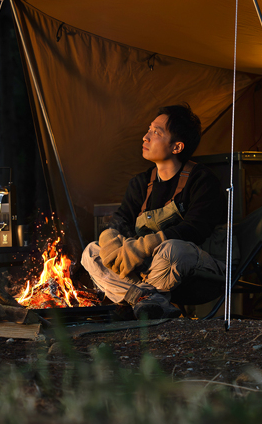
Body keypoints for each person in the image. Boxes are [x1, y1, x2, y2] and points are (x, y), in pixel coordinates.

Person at [80, 103, 227, 319]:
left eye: (156, 132)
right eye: (149, 130)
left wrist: (140, 247)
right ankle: (148, 301)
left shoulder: (202, 180)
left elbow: (194, 230)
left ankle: (138, 301)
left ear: (177, 147)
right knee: (92, 252)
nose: (145, 137)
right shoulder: (140, 183)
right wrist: (111, 242)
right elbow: (119, 222)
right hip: (150, 272)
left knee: (172, 249)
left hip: (198, 268)